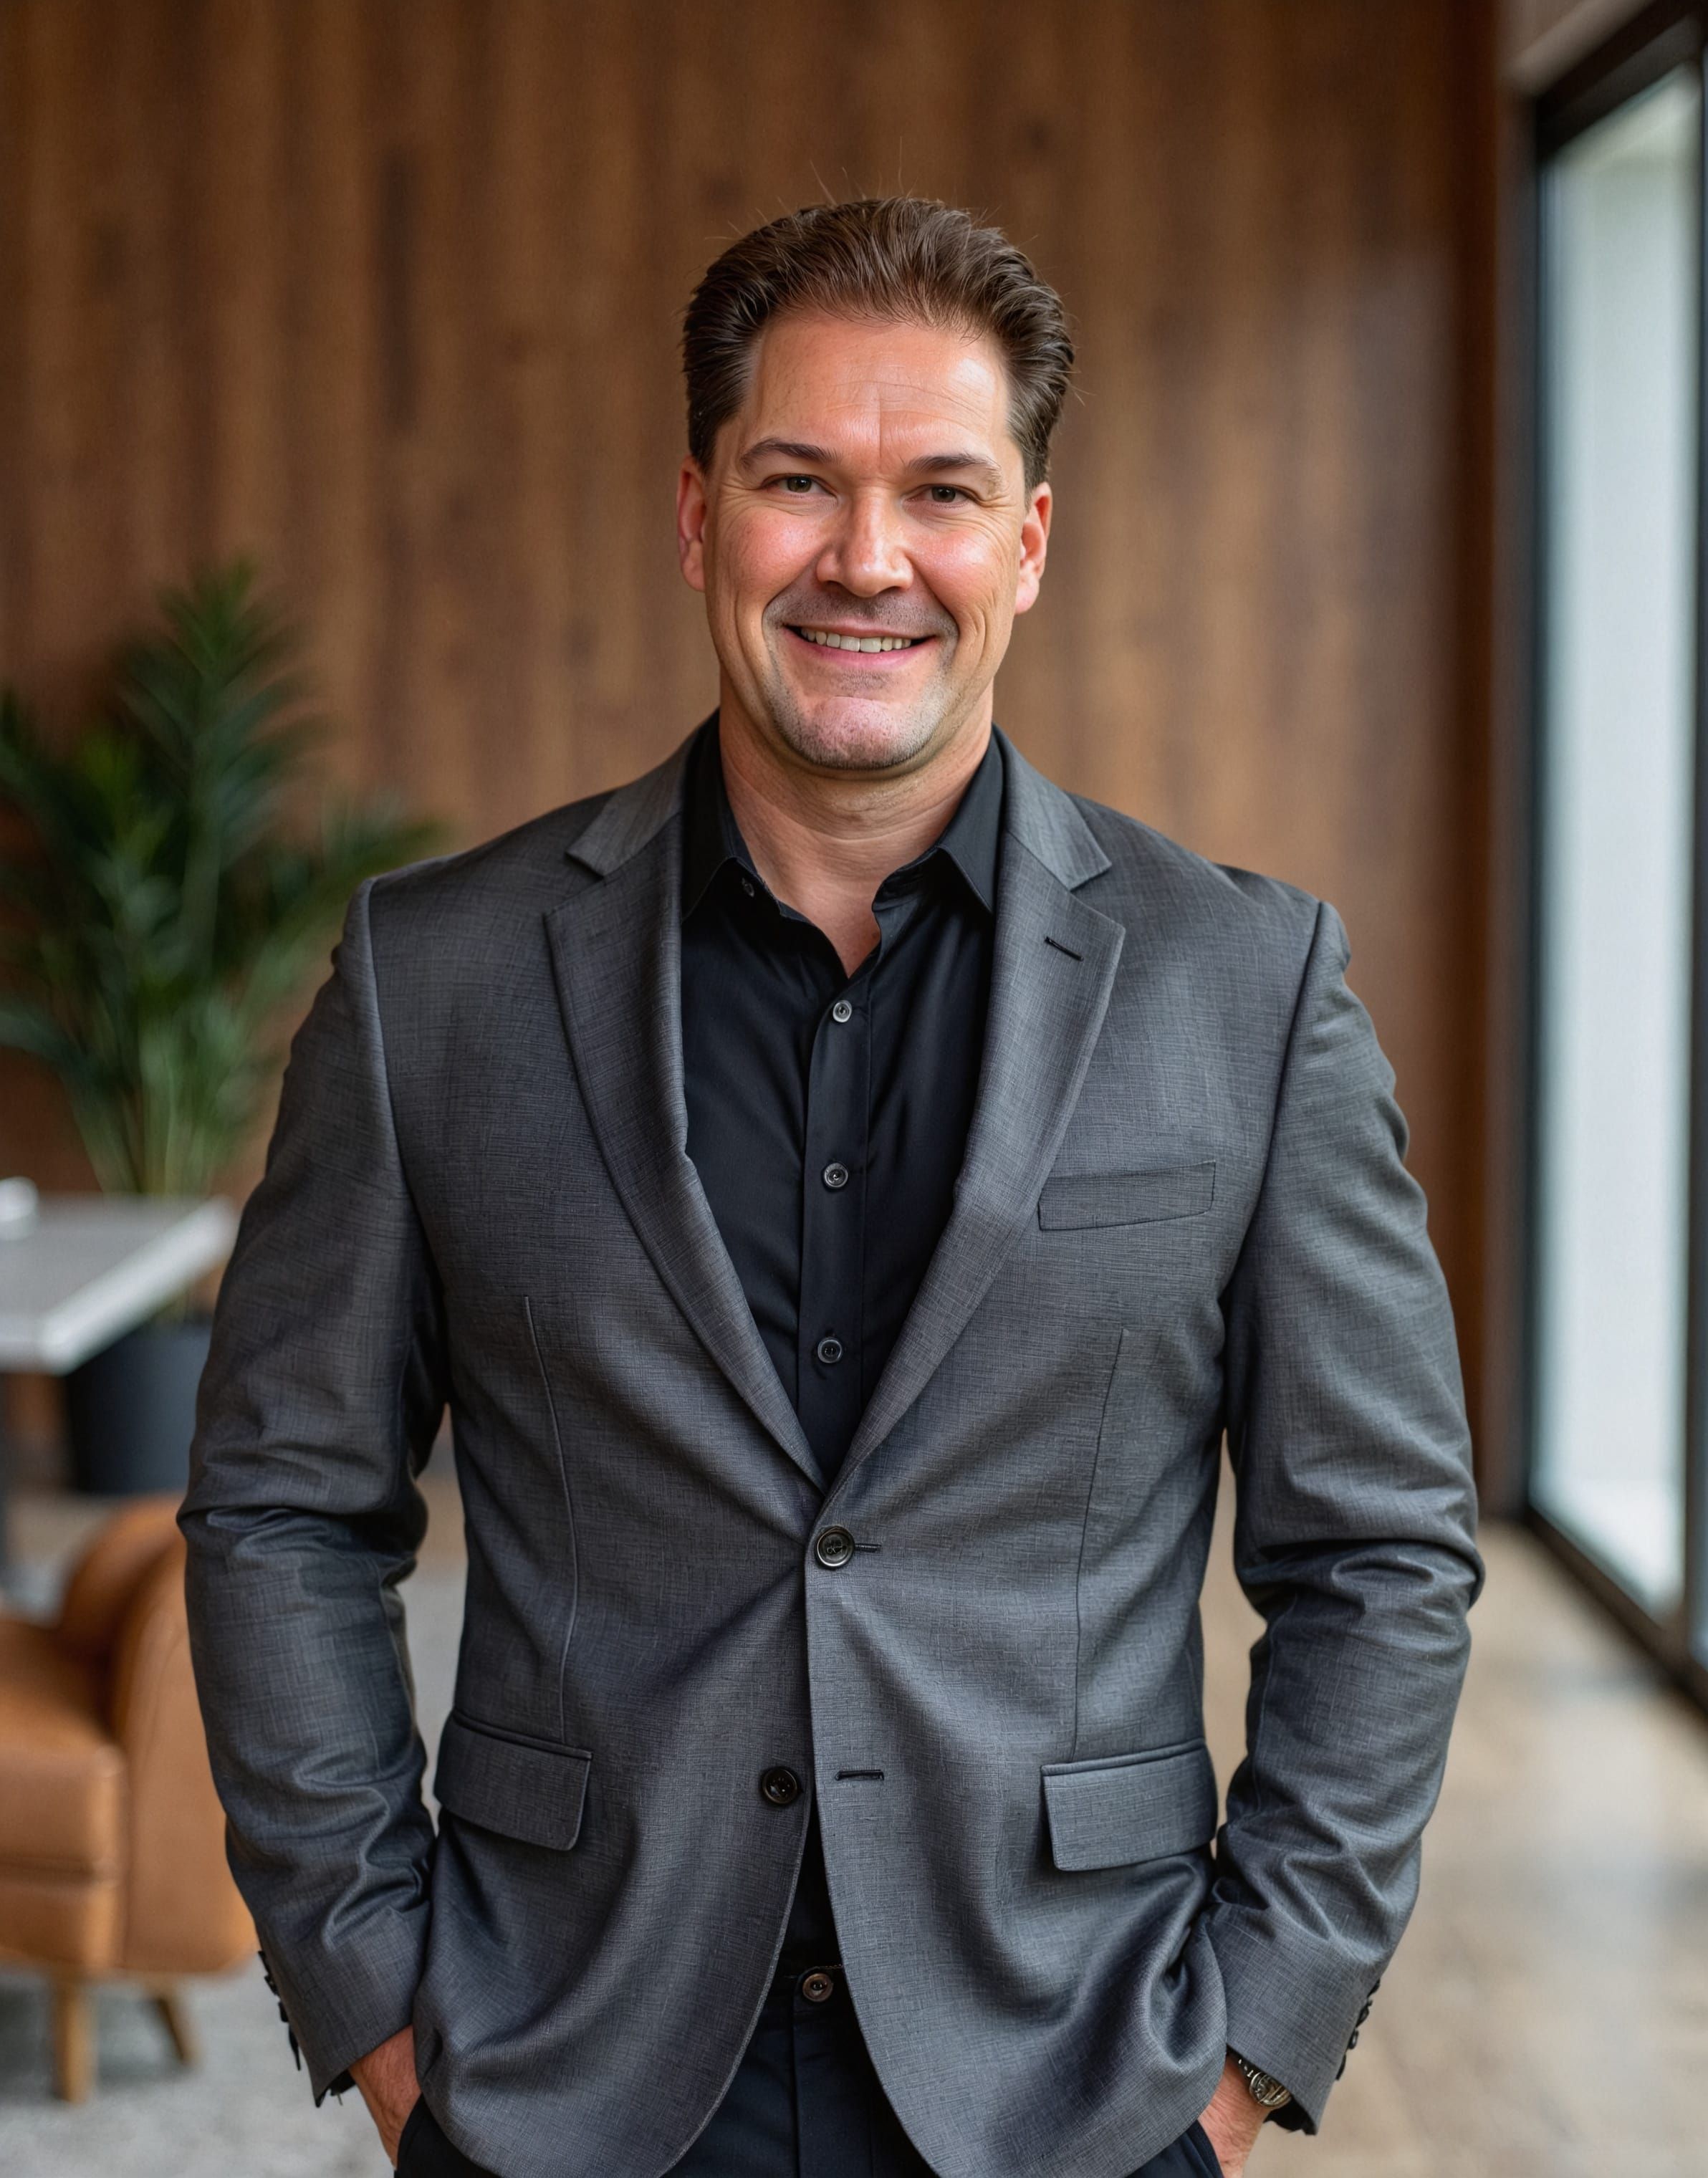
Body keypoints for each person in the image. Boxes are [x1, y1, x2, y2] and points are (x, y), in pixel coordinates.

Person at [182, 197, 1482, 2178]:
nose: (869, 560)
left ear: (1027, 545)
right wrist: (373, 2003)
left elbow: (1381, 1548)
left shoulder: (1250, 987)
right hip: (562, 2069)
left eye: (942, 492)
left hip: (1079, 2072)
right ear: (701, 515)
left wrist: (1249, 2047)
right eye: (802, 481)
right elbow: (283, 1504)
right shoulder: (428, 981)